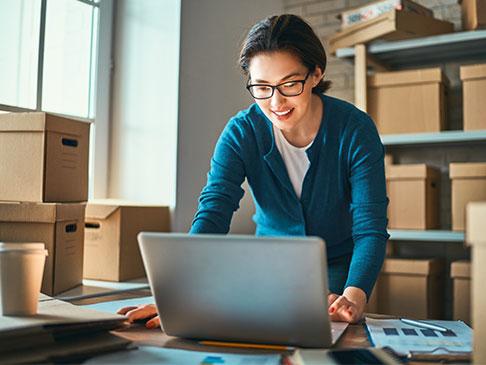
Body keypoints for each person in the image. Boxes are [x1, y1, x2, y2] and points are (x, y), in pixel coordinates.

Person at [118, 14, 389, 329]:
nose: (276, 102)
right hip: (267, 270)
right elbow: (214, 210)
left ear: (316, 74)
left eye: (289, 84)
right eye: (262, 87)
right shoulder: (241, 132)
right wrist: (179, 293)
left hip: (338, 270)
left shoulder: (355, 130)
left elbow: (370, 228)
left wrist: (353, 296)